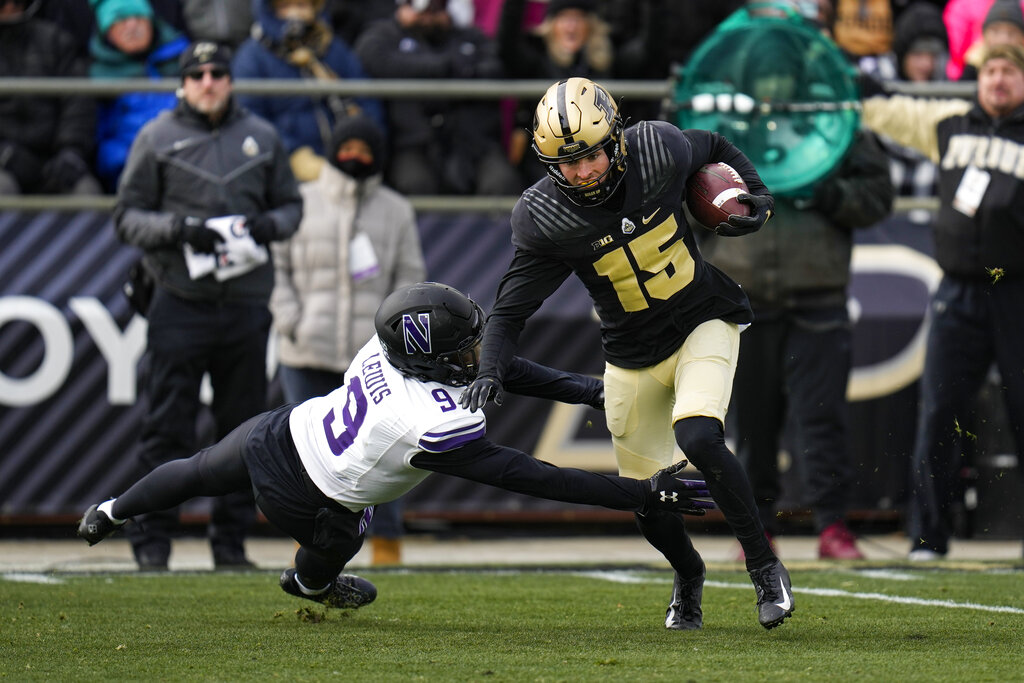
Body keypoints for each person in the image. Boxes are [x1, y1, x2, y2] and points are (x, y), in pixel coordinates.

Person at [77, 282, 715, 611]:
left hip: (282, 432)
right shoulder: (425, 423)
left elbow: (494, 367)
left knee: (193, 471)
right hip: (317, 497)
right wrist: (641, 492)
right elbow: (535, 477)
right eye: (461, 346)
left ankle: (109, 511)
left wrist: (585, 391)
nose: (476, 351)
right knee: (337, 543)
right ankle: (308, 585)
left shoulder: (384, 348)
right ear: (431, 360)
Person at [460, 77, 794, 630]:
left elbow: (710, 144)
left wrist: (756, 192)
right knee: (651, 499)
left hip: (702, 318)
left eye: (591, 153)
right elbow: (510, 311)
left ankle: (762, 565)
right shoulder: (547, 217)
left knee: (699, 435)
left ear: (614, 140)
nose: (583, 171)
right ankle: (688, 575)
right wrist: (491, 372)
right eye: (567, 162)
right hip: (631, 354)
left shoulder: (657, 149)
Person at [112, 41, 303, 570]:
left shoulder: (261, 137)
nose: (209, 81)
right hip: (180, 301)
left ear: (231, 80)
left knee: (243, 432)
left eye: (219, 71)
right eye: (197, 74)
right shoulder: (156, 137)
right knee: (167, 426)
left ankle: (230, 544)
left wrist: (270, 226)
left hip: (244, 305)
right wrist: (179, 230)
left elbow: (291, 206)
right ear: (183, 82)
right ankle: (152, 545)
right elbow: (127, 216)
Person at [861, 43, 1024, 560]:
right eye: (991, 70)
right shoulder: (951, 123)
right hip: (956, 291)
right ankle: (928, 537)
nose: (998, 80)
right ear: (979, 78)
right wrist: (864, 95)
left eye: (1010, 72)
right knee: (939, 414)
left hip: (1017, 291)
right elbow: (900, 112)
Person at [703, 128, 894, 560]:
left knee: (823, 420)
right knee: (753, 424)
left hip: (818, 296)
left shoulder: (837, 123)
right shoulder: (721, 121)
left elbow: (877, 199)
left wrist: (822, 187)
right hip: (745, 296)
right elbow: (685, 202)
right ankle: (757, 532)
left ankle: (832, 525)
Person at [270, 113, 426, 565]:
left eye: (364, 150)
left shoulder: (396, 209)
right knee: (307, 456)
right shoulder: (299, 201)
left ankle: (388, 545)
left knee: (391, 453)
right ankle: (310, 546)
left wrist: (395, 342)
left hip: (375, 362)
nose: (355, 156)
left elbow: (410, 279)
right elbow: (277, 268)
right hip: (306, 352)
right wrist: (290, 319)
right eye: (348, 148)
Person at [353, 0, 522, 196]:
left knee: (502, 182)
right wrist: (449, 68)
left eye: (436, 8)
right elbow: (375, 59)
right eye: (421, 8)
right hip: (414, 143)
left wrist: (448, 71)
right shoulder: (385, 35)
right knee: (415, 183)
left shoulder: (469, 37)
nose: (428, 15)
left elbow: (495, 67)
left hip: (473, 144)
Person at [232, 0, 385, 183]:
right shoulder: (252, 56)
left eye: (302, 5)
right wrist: (293, 153)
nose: (295, 14)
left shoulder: (333, 49)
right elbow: (250, 115)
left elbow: (366, 98)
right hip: (285, 169)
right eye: (285, 7)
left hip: (347, 158)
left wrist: (365, 143)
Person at [0, 0, 102, 196]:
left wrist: (71, 152)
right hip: (5, 163)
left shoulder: (55, 40)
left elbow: (78, 102)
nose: (10, 7)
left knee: (86, 192)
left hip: (53, 160)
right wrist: (4, 154)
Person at [88, 0, 191, 191]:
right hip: (130, 171)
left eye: (139, 17)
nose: (133, 26)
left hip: (188, 163)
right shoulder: (96, 80)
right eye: (122, 20)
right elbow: (98, 142)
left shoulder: (186, 60)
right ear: (106, 31)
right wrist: (134, 159)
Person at [959, 0, 1024, 80]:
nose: (1003, 39)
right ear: (984, 35)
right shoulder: (974, 62)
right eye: (995, 31)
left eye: (1011, 33)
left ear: (1021, 38)